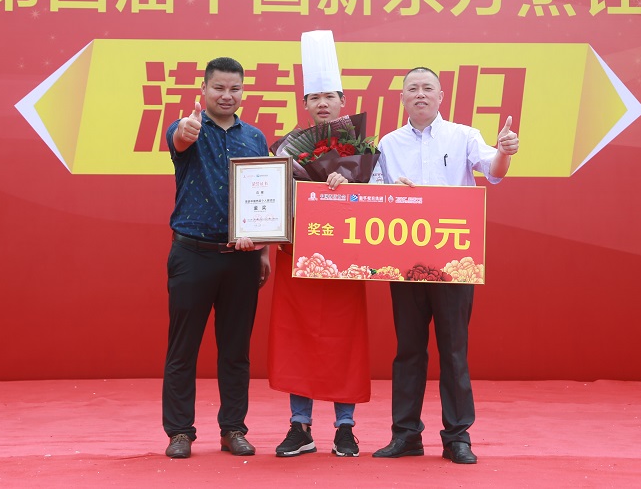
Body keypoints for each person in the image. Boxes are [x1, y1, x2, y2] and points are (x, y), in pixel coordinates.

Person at [371, 66, 519, 465]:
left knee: (453, 350)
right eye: (412, 89)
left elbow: (493, 169)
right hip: (404, 261)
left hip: (454, 261)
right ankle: (405, 434)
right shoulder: (388, 143)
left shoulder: (463, 135)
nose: (420, 94)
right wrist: (389, 192)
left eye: (427, 88)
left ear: (440, 96)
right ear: (402, 98)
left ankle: (457, 437)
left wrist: (505, 150)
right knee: (408, 350)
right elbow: (372, 194)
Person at [268, 31, 373, 458]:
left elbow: (377, 201)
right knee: (298, 338)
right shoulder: (286, 148)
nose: (323, 103)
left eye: (330, 96)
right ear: (306, 104)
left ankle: (345, 428)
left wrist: (349, 182)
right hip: (297, 255)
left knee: (345, 341)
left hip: (344, 259)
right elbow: (270, 199)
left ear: (343, 101)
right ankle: (300, 426)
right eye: (315, 97)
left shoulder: (363, 148)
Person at [162, 57, 272, 460]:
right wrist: (185, 130)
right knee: (183, 349)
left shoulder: (255, 138)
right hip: (192, 254)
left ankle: (233, 429)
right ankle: (179, 432)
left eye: (234, 89)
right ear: (204, 90)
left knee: (236, 350)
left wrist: (263, 250)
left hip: (241, 259)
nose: (227, 95)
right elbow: (179, 139)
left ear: (243, 92)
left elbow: (265, 198)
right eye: (219, 88)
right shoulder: (188, 127)